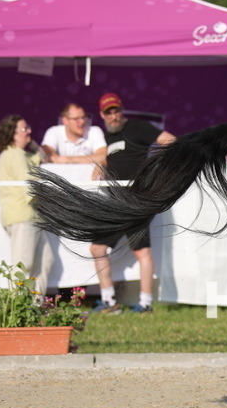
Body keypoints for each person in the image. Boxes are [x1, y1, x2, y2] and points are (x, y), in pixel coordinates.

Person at [90, 92, 176, 314]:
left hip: (136, 201)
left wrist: (156, 172)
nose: (113, 116)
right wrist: (98, 166)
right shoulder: (103, 139)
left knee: (142, 252)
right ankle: (109, 302)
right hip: (114, 203)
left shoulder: (138, 128)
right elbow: (99, 159)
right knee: (98, 247)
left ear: (121, 110)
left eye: (116, 110)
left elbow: (171, 141)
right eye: (108, 113)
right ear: (102, 115)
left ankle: (145, 303)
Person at [0, 114, 55, 296]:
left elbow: (44, 157)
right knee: (23, 263)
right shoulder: (13, 155)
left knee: (46, 261)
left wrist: (33, 143)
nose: (29, 131)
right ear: (13, 134)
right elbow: (29, 185)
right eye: (24, 129)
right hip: (22, 215)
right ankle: (17, 307)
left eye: (28, 127)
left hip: (31, 216)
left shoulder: (22, 155)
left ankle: (35, 305)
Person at [40, 103, 107, 164]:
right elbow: (46, 155)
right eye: (76, 119)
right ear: (65, 120)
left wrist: (67, 160)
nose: (82, 121)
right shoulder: (54, 131)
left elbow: (103, 156)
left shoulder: (94, 131)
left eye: (83, 117)